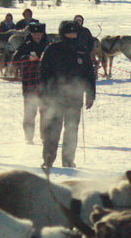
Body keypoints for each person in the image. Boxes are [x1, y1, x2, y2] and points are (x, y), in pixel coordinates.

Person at [38, 19, 96, 169]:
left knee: (71, 130)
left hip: (74, 98)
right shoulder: (52, 49)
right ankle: (48, 160)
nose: (72, 35)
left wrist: (91, 94)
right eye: (68, 33)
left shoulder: (82, 51)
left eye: (74, 32)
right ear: (62, 34)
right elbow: (43, 73)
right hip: (54, 97)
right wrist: (44, 93)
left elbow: (89, 74)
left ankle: (68, 160)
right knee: (53, 131)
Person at [12, 21, 48, 143]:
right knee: (30, 111)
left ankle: (45, 137)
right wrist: (27, 58)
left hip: (46, 84)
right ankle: (28, 137)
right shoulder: (25, 46)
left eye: (40, 33)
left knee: (46, 111)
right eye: (35, 33)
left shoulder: (49, 46)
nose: (37, 35)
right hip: (29, 83)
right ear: (31, 33)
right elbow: (14, 61)